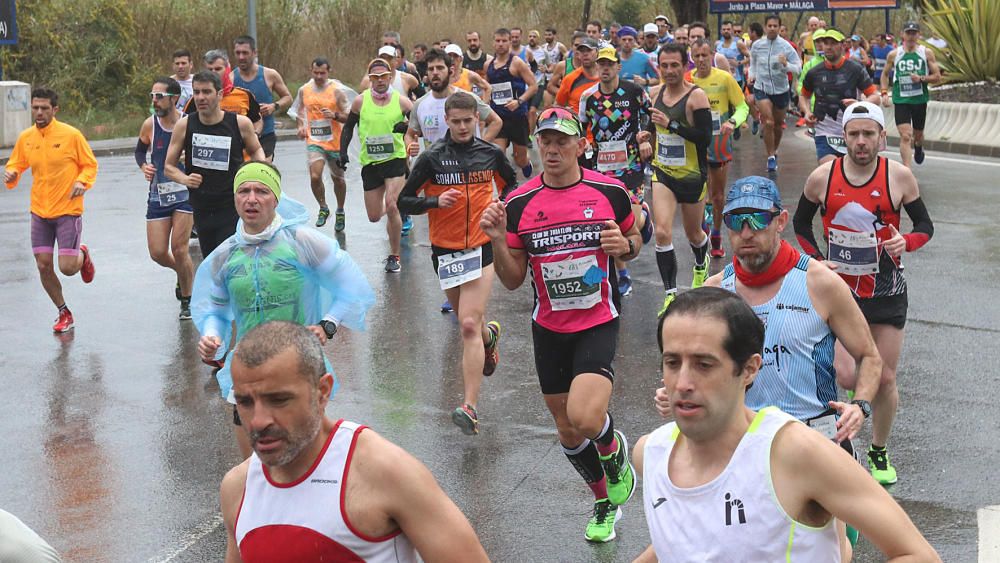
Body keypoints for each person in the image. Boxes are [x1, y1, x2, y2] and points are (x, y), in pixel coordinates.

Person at [633, 288, 942, 563]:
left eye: (704, 364)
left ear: (750, 369)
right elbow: (683, 542)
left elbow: (918, 555)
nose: (683, 383)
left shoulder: (794, 453)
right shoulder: (651, 454)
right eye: (673, 363)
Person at [480, 107, 641, 543]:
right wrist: (497, 239)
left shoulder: (609, 191)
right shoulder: (519, 202)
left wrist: (624, 244)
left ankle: (614, 450)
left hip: (597, 319)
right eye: (545, 141)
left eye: (562, 141)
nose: (552, 149)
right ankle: (604, 501)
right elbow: (513, 280)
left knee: (586, 417)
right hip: (548, 327)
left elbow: (634, 239)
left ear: (580, 146)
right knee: (567, 429)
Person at [220, 322, 488, 562]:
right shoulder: (238, 487)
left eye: (278, 400)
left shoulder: (386, 473)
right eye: (245, 402)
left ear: (322, 391)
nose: (258, 421)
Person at [194, 161, 375, 458]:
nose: (251, 198)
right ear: (235, 198)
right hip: (247, 371)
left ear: (276, 199)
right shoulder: (225, 255)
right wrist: (211, 337)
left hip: (297, 367)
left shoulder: (302, 241)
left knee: (303, 465)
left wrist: (327, 324)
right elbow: (215, 309)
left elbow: (353, 287)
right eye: (244, 191)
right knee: (255, 469)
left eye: (261, 191)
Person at [795, 102, 934, 485]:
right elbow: (800, 225)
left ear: (881, 138)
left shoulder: (899, 176)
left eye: (868, 134)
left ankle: (877, 447)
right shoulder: (823, 177)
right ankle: (850, 422)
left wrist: (906, 241)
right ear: (844, 137)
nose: (860, 142)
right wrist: (819, 261)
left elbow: (925, 225)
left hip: (887, 290)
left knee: (885, 378)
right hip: (841, 292)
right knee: (845, 371)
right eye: (853, 134)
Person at [398, 92, 516, 434]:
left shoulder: (491, 154)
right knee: (473, 324)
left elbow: (512, 188)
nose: (463, 127)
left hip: (480, 247)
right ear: (446, 121)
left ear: (476, 120)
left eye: (468, 121)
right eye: (456, 121)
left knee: (466, 325)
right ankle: (488, 337)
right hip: (446, 252)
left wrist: (501, 208)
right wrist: (435, 201)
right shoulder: (433, 158)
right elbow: (405, 200)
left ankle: (470, 406)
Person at [4, 88, 97, 333]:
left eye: (44, 108)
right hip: (40, 212)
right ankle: (63, 311)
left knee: (67, 268)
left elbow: (89, 165)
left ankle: (82, 255)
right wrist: (12, 173)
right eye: (35, 107)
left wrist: (82, 182)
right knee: (44, 265)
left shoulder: (71, 135)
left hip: (67, 209)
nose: (39, 112)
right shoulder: (26, 137)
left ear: (54, 110)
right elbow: (16, 162)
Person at [579, 47, 654, 297]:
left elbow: (651, 115)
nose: (605, 68)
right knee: (608, 224)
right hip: (602, 171)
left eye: (610, 64)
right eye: (601, 64)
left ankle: (643, 215)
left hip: (631, 167)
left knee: (628, 224)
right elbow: (581, 131)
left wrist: (645, 136)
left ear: (618, 67)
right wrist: (584, 154)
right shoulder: (588, 97)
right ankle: (621, 275)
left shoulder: (633, 91)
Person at [166, 70, 265, 257]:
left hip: (233, 203)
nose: (200, 97)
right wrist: (185, 179)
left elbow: (256, 150)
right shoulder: (185, 125)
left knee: (231, 258)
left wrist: (260, 172)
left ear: (219, 94)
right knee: (212, 260)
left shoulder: (240, 123)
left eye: (206, 92)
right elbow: (169, 167)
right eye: (196, 92)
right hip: (202, 206)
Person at [647, 44, 713, 315]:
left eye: (675, 65)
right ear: (659, 67)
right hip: (662, 172)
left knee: (693, 233)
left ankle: (700, 262)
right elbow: (650, 125)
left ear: (685, 66)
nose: (670, 71)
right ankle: (670, 294)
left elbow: (704, 138)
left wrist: (671, 124)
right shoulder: (654, 93)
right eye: (665, 66)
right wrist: (644, 137)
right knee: (662, 232)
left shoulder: (697, 97)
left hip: (692, 176)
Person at [340, 58, 413, 273]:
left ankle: (394, 255)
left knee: (391, 204)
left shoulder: (402, 102)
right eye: (375, 77)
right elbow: (348, 127)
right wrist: (342, 152)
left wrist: (406, 127)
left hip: (395, 160)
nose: (380, 81)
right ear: (369, 79)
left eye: (383, 77)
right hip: (371, 163)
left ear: (390, 77)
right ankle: (396, 208)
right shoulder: (360, 102)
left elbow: (415, 127)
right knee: (374, 216)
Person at [136, 77, 195, 319]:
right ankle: (183, 274)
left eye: (159, 96)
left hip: (185, 194)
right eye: (152, 96)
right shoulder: (149, 124)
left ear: (174, 98)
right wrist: (144, 167)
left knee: (179, 249)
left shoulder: (188, 122)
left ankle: (188, 301)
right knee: (158, 253)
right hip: (158, 194)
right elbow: (140, 151)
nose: (154, 101)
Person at [686, 39, 749, 259]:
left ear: (713, 54)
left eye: (705, 55)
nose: (701, 60)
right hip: (694, 143)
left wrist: (732, 122)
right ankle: (702, 230)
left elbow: (742, 106)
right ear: (692, 57)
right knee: (697, 191)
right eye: (697, 56)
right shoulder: (687, 80)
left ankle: (716, 235)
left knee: (718, 194)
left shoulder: (724, 78)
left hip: (719, 141)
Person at [799, 29, 880, 164]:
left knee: (851, 173)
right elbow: (804, 96)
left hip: (852, 132)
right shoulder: (814, 72)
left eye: (833, 43)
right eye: (825, 43)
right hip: (824, 132)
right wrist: (807, 112)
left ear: (842, 46)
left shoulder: (855, 69)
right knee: (829, 170)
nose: (828, 47)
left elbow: (875, 97)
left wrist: (858, 104)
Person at [405, 47, 501, 156]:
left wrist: (480, 147)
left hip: (468, 165)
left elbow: (496, 121)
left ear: (450, 71)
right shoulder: (420, 104)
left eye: (440, 68)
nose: (435, 73)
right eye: (431, 69)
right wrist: (409, 146)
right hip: (436, 167)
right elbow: (410, 135)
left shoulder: (468, 98)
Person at [292, 58, 351, 230]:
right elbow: (299, 110)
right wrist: (301, 126)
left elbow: (349, 117)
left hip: (335, 142)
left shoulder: (337, 91)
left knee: (338, 180)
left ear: (329, 71)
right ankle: (323, 207)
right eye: (315, 72)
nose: (318, 76)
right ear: (311, 71)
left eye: (322, 73)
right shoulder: (304, 90)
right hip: (314, 141)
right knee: (315, 176)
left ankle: (340, 211)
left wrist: (334, 115)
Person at [880, 22, 941, 167]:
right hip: (901, 99)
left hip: (919, 99)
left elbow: (937, 76)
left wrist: (921, 78)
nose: (911, 36)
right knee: (906, 135)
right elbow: (884, 74)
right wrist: (884, 93)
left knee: (917, 135)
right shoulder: (894, 54)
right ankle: (907, 170)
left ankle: (919, 146)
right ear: (903, 35)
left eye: (914, 33)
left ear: (919, 35)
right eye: (908, 33)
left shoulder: (926, 53)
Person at [748, 14, 802, 172]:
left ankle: (775, 150)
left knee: (778, 125)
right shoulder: (757, 45)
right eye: (769, 25)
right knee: (769, 122)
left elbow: (798, 68)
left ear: (779, 28)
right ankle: (770, 156)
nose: (772, 28)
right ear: (765, 27)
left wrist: (786, 65)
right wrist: (752, 74)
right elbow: (753, 64)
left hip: (781, 90)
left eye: (775, 26)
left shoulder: (786, 46)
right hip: (762, 87)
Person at [487, 28, 538, 178]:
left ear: (510, 42)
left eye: (504, 41)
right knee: (498, 155)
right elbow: (487, 88)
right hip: (498, 118)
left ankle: (526, 164)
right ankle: (506, 187)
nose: (500, 44)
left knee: (519, 159)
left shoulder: (517, 63)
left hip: (517, 117)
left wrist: (519, 101)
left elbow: (534, 86)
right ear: (493, 43)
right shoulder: (488, 65)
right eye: (497, 41)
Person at [232, 36, 293, 161]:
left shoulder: (269, 75)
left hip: (266, 134)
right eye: (238, 53)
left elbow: (288, 98)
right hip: (241, 136)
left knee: (263, 171)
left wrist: (274, 106)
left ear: (254, 53)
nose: (241, 57)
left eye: (245, 53)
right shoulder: (231, 78)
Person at [187, 50, 263, 137]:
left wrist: (254, 136)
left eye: (218, 69)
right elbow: (185, 125)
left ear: (228, 69)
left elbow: (257, 120)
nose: (213, 72)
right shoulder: (198, 99)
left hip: (240, 149)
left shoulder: (245, 95)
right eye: (210, 69)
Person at [717, 21, 751, 90]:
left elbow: (751, 57)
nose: (726, 31)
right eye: (724, 29)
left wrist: (739, 63)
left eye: (728, 29)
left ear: (732, 30)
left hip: (736, 79)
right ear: (721, 31)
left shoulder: (738, 43)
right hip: (721, 79)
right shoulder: (718, 45)